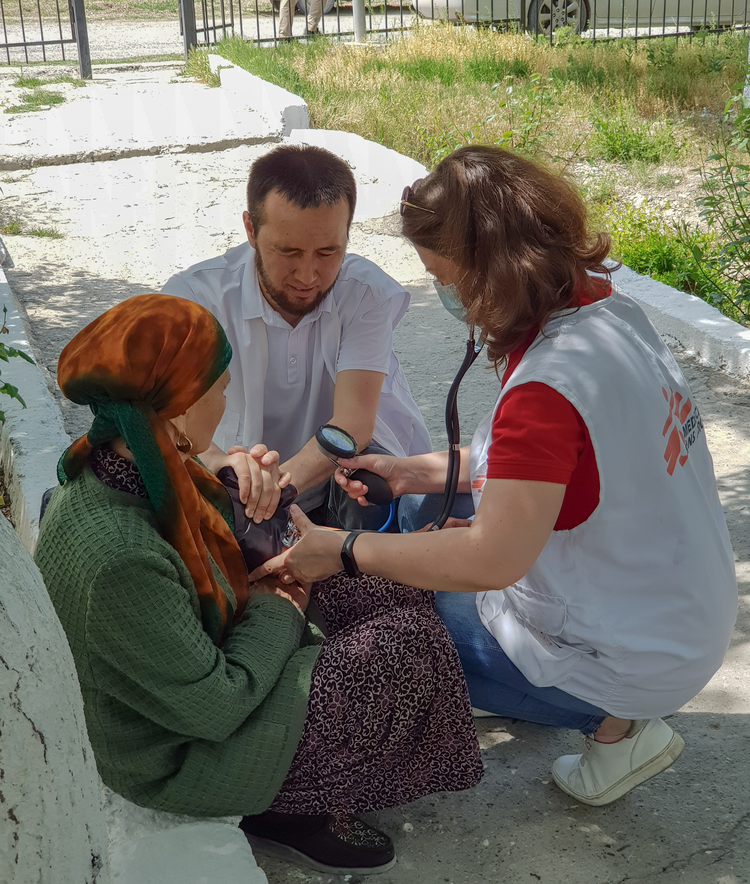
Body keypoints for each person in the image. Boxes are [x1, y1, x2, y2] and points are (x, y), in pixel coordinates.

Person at [250, 145, 738, 808]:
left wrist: (340, 551)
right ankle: (580, 700)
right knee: (421, 517)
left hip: (631, 653)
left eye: (444, 279)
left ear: (494, 269)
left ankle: (614, 726)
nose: (444, 297)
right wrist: (409, 471)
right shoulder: (609, 315)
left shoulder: (547, 388)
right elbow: (549, 465)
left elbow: (493, 556)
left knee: (383, 622)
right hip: (681, 607)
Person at [34, 294, 482, 876]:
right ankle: (284, 810)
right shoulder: (119, 555)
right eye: (219, 389)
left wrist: (256, 489)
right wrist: (282, 604)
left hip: (207, 661)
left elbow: (206, 551)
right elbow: (214, 708)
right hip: (180, 755)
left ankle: (308, 783)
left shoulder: (137, 459)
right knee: (404, 648)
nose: (225, 401)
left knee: (391, 589)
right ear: (181, 408)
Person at [162, 143, 431, 531]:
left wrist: (274, 487)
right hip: (233, 486)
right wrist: (226, 466)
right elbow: (168, 421)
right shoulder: (193, 300)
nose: (307, 276)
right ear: (250, 230)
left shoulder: (365, 293)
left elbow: (353, 423)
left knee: (369, 485)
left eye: (327, 252)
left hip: (330, 488)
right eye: (288, 252)